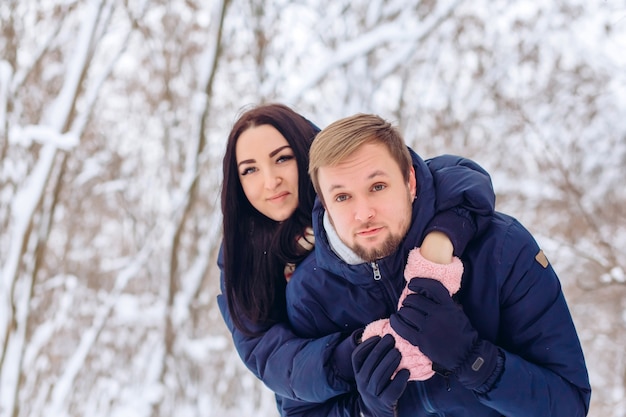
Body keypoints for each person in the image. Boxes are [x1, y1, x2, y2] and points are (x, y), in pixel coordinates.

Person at [283, 113, 591, 416]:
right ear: (324, 204)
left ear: (410, 181)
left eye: (377, 187)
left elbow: (569, 403)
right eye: (342, 197)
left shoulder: (501, 249)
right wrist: (365, 411)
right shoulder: (310, 295)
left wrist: (474, 361)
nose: (363, 213)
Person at [216, 104, 496, 407]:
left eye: (283, 158)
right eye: (250, 169)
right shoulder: (241, 261)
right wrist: (356, 354)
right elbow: (271, 358)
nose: (270, 181)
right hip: (353, 392)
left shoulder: (362, 197)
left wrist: (439, 241)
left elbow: (457, 180)